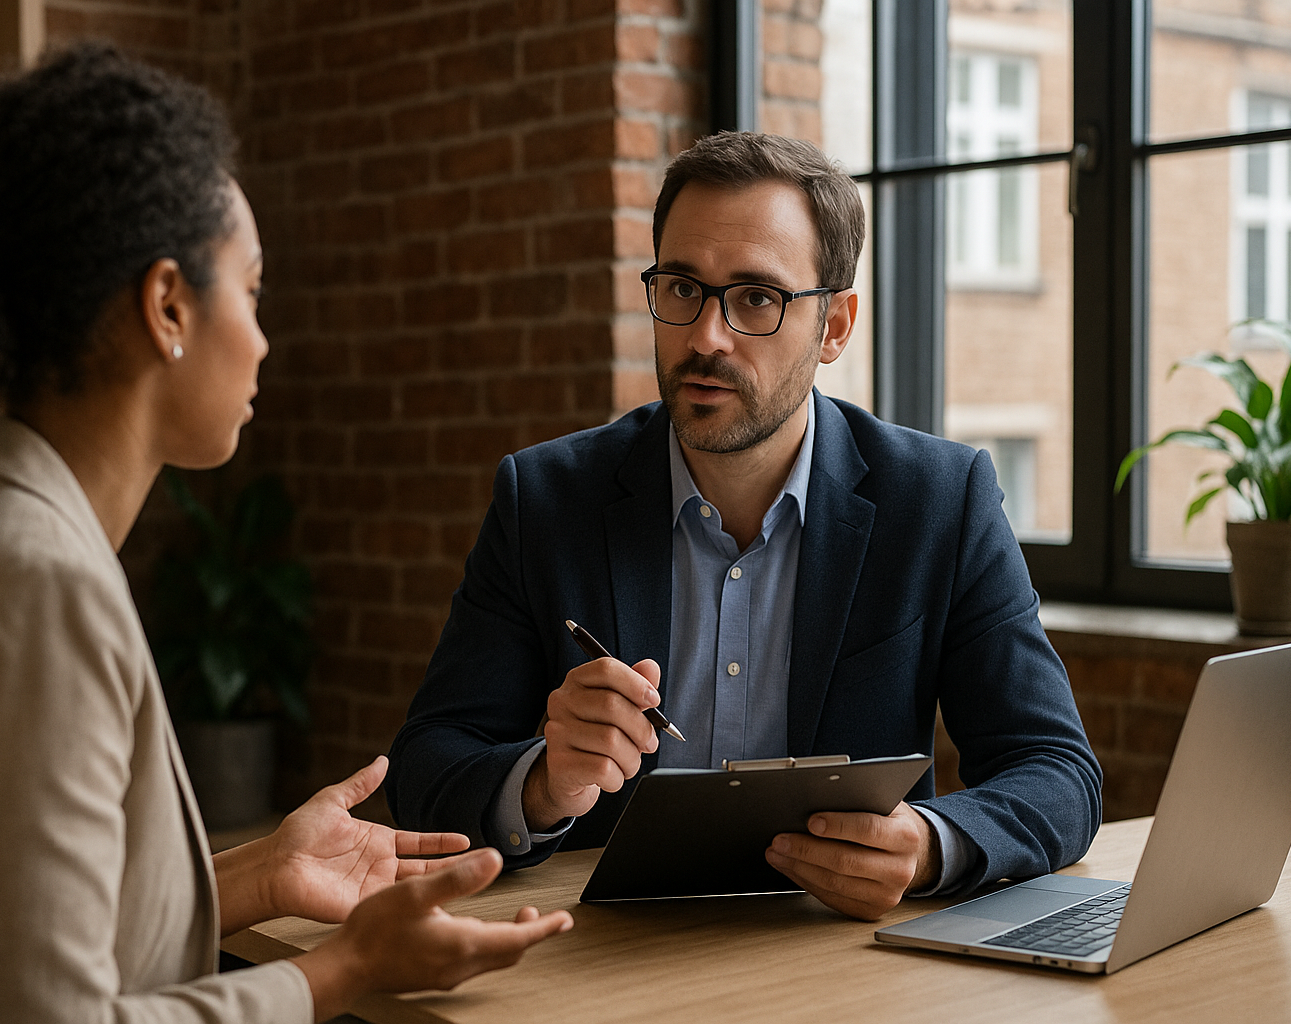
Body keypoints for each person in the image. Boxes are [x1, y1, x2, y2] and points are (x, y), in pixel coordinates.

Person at [0, 44, 570, 1024]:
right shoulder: (33, 584)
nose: (262, 337)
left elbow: (28, 914)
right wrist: (348, 969)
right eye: (250, 289)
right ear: (168, 305)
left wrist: (262, 873)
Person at [386, 132, 1102, 921]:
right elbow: (425, 768)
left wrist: (931, 844)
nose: (706, 338)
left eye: (757, 298)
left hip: (845, 965)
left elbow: (1056, 771)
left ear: (833, 326)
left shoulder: (939, 499)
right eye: (683, 288)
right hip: (604, 959)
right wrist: (543, 782)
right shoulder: (547, 499)